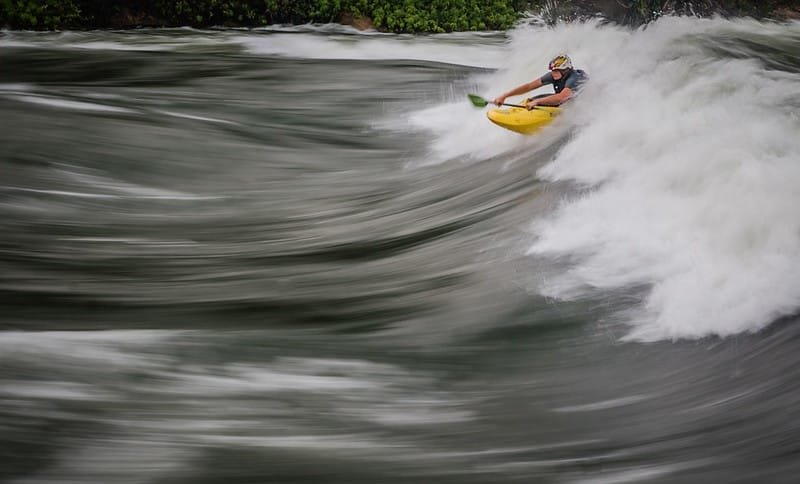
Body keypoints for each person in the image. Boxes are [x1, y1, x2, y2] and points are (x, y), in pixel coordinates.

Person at [492, 55, 587, 110]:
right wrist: (505, 96)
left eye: (556, 71)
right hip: (565, 98)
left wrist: (537, 102)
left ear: (565, 70)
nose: (553, 73)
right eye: (552, 71)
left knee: (541, 101)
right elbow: (529, 87)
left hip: (580, 103)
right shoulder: (553, 75)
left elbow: (561, 97)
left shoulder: (574, 79)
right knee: (532, 100)